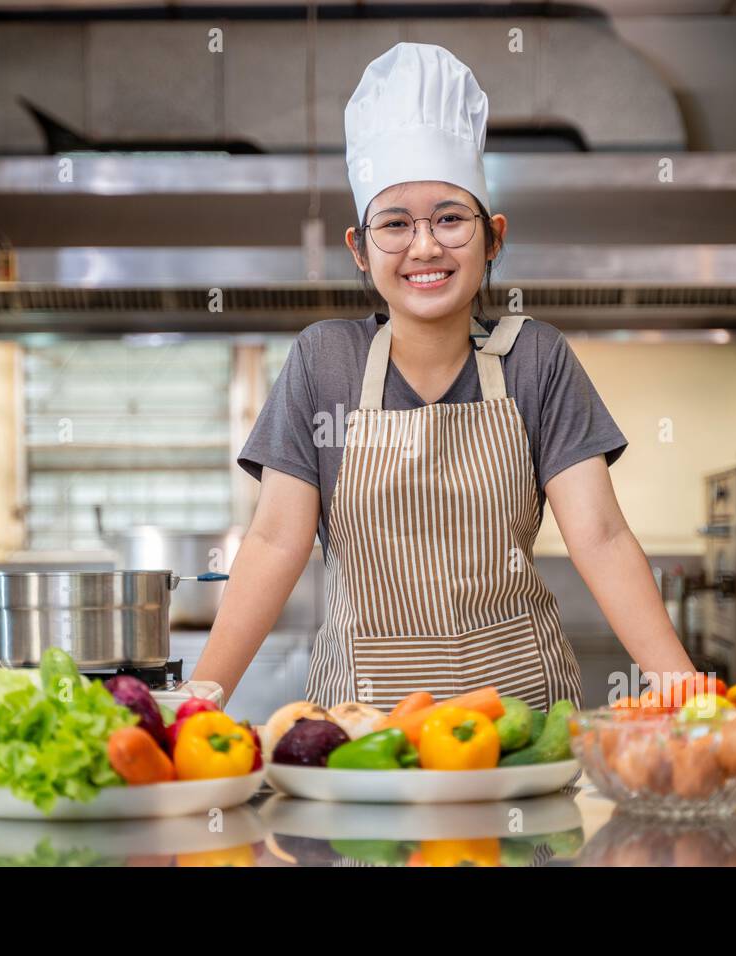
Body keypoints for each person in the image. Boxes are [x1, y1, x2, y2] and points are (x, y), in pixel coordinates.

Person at [185, 42, 694, 711]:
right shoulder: (322, 363)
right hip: (364, 734)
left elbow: (599, 536)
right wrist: (202, 695)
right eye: (395, 225)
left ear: (494, 237)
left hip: (518, 733)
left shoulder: (537, 361)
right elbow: (276, 540)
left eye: (450, 219)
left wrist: (683, 686)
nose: (424, 246)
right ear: (360, 251)